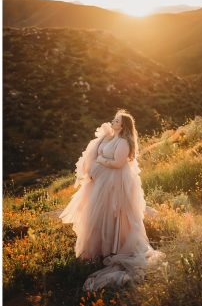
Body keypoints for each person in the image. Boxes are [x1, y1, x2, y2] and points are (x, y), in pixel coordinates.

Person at [59, 110, 161, 291]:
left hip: (114, 185)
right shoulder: (112, 138)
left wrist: (101, 160)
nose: (113, 121)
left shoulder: (123, 142)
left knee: (112, 215)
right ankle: (99, 249)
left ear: (123, 126)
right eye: (114, 119)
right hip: (103, 183)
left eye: (116, 120)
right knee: (99, 214)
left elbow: (118, 164)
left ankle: (112, 248)